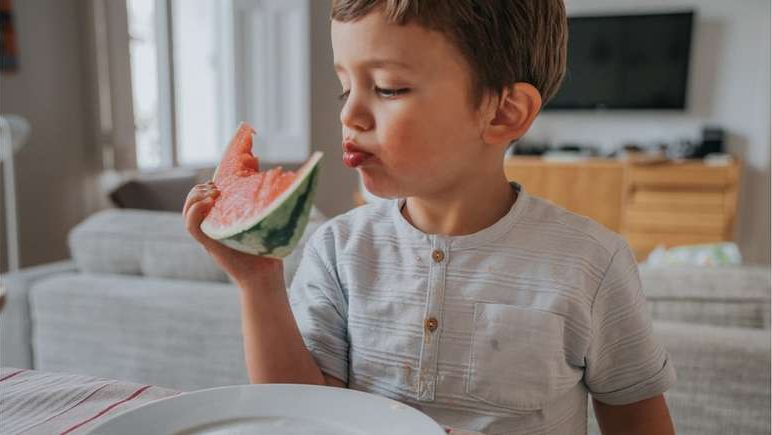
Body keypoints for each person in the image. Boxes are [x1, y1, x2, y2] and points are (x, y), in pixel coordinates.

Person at [183, 1, 676, 433]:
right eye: (344, 87)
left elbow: (639, 422)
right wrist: (259, 282)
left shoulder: (591, 262)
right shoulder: (337, 250)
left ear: (503, 114)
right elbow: (301, 412)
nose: (349, 114)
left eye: (389, 88)